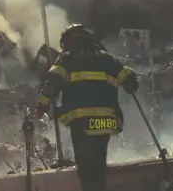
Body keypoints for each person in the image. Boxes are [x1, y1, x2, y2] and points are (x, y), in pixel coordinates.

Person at [35, 23, 139, 191]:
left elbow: (51, 84)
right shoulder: (107, 58)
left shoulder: (67, 58)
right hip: (106, 122)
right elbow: (129, 78)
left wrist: (41, 106)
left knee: (86, 170)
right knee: (98, 166)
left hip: (82, 122)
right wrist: (131, 85)